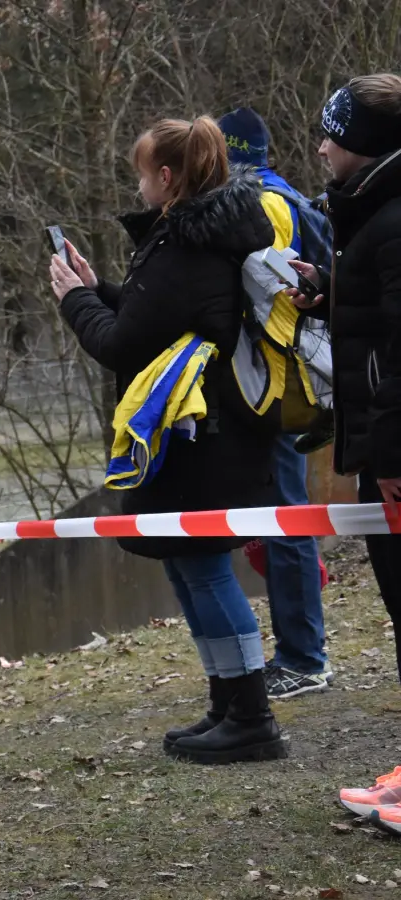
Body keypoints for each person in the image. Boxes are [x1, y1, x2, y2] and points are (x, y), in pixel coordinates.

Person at [50, 114, 285, 765]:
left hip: (204, 442)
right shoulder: (192, 239)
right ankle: (226, 702)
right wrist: (95, 286)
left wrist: (74, 301)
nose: (138, 183)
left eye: (141, 172)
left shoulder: (186, 248)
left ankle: (252, 716)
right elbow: (149, 316)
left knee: (206, 572)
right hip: (199, 436)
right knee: (187, 569)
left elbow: (119, 342)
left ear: (167, 177)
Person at [279, 75, 401, 825]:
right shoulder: (372, 217)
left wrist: (390, 458)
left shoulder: (392, 220)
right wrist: (330, 291)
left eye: (335, 133)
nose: (322, 146)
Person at [217, 107, 333, 700]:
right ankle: (301, 649)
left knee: (284, 518)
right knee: (277, 518)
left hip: (272, 384)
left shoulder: (257, 206)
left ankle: (303, 657)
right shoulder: (281, 196)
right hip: (275, 381)